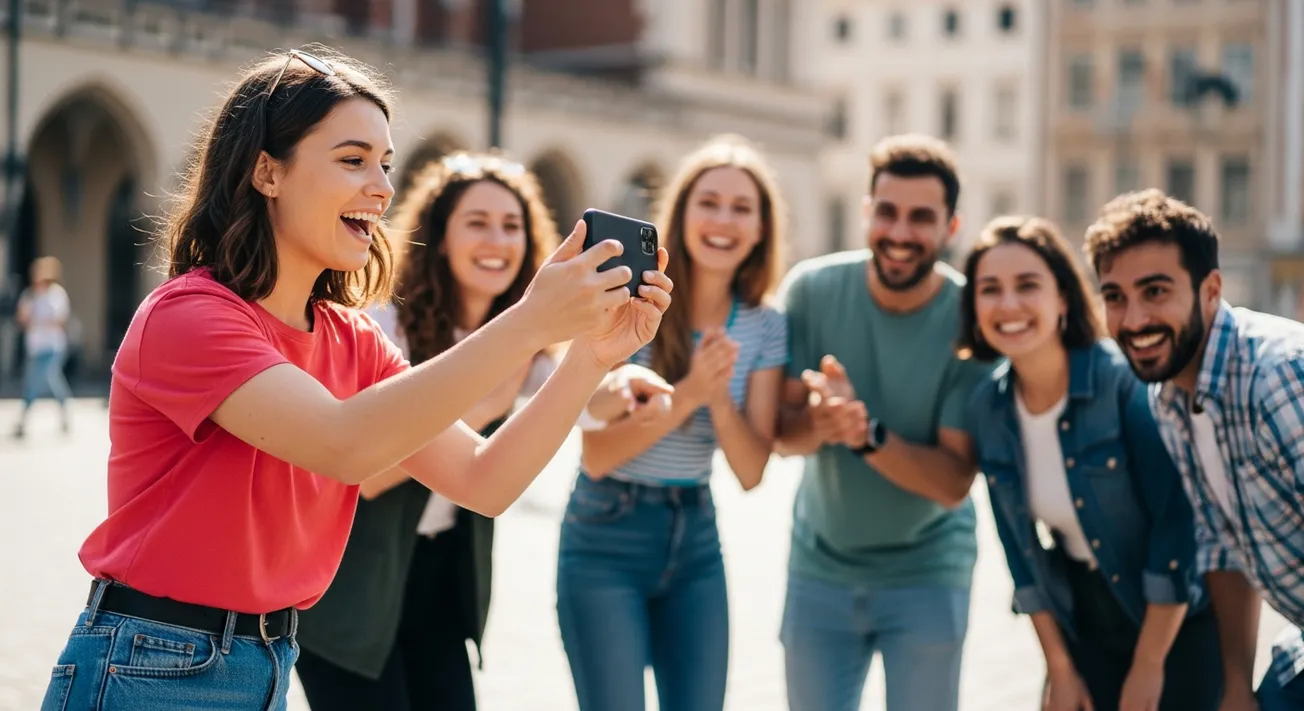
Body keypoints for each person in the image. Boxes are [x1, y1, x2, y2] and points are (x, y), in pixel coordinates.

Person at [37, 46, 672, 711]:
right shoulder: (189, 315)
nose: (383, 187)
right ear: (267, 172)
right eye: (353, 160)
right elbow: (344, 444)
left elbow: (486, 479)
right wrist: (530, 322)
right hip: (150, 661)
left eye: (386, 165)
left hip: (266, 662)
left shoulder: (352, 338)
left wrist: (590, 357)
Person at [293, 150, 675, 711]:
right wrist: (486, 399)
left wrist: (619, 390)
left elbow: (571, 400)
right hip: (352, 583)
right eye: (477, 223)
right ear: (440, 237)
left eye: (511, 225)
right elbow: (365, 475)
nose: (497, 240)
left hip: (442, 578)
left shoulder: (525, 333)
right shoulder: (383, 327)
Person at [555, 134, 790, 711]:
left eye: (742, 209)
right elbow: (598, 453)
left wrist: (718, 397)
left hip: (696, 541)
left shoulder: (765, 326)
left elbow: (751, 470)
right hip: (607, 531)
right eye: (708, 203)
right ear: (681, 215)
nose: (723, 220)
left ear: (761, 229)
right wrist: (689, 395)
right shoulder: (634, 302)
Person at [958, 215, 1221, 711]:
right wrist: (1059, 666)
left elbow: (1176, 523)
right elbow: (1021, 554)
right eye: (990, 289)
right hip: (1086, 619)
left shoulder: (1120, 382)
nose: (1008, 304)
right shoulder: (986, 408)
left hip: (1176, 623)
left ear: (1062, 298)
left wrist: (1148, 666)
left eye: (1027, 285)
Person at [772, 133, 992, 711]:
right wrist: (821, 426)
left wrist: (863, 434)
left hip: (928, 569)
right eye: (887, 213)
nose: (900, 234)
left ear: (952, 227)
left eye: (922, 218)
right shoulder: (812, 291)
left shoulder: (973, 319)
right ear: (867, 213)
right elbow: (782, 435)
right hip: (819, 564)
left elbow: (951, 482)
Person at [1084, 188, 1304, 711]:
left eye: (1155, 291)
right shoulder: (1168, 398)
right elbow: (1223, 548)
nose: (1133, 321)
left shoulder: (1278, 377)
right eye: (1115, 296)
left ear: (1210, 291)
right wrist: (1234, 688)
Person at [12, 256, 72, 438]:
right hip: (35, 347)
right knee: (50, 381)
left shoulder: (56, 294)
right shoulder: (29, 295)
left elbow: (61, 320)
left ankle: (23, 420)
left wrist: (40, 320)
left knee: (38, 380)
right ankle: (65, 410)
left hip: (53, 346)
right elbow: (21, 319)